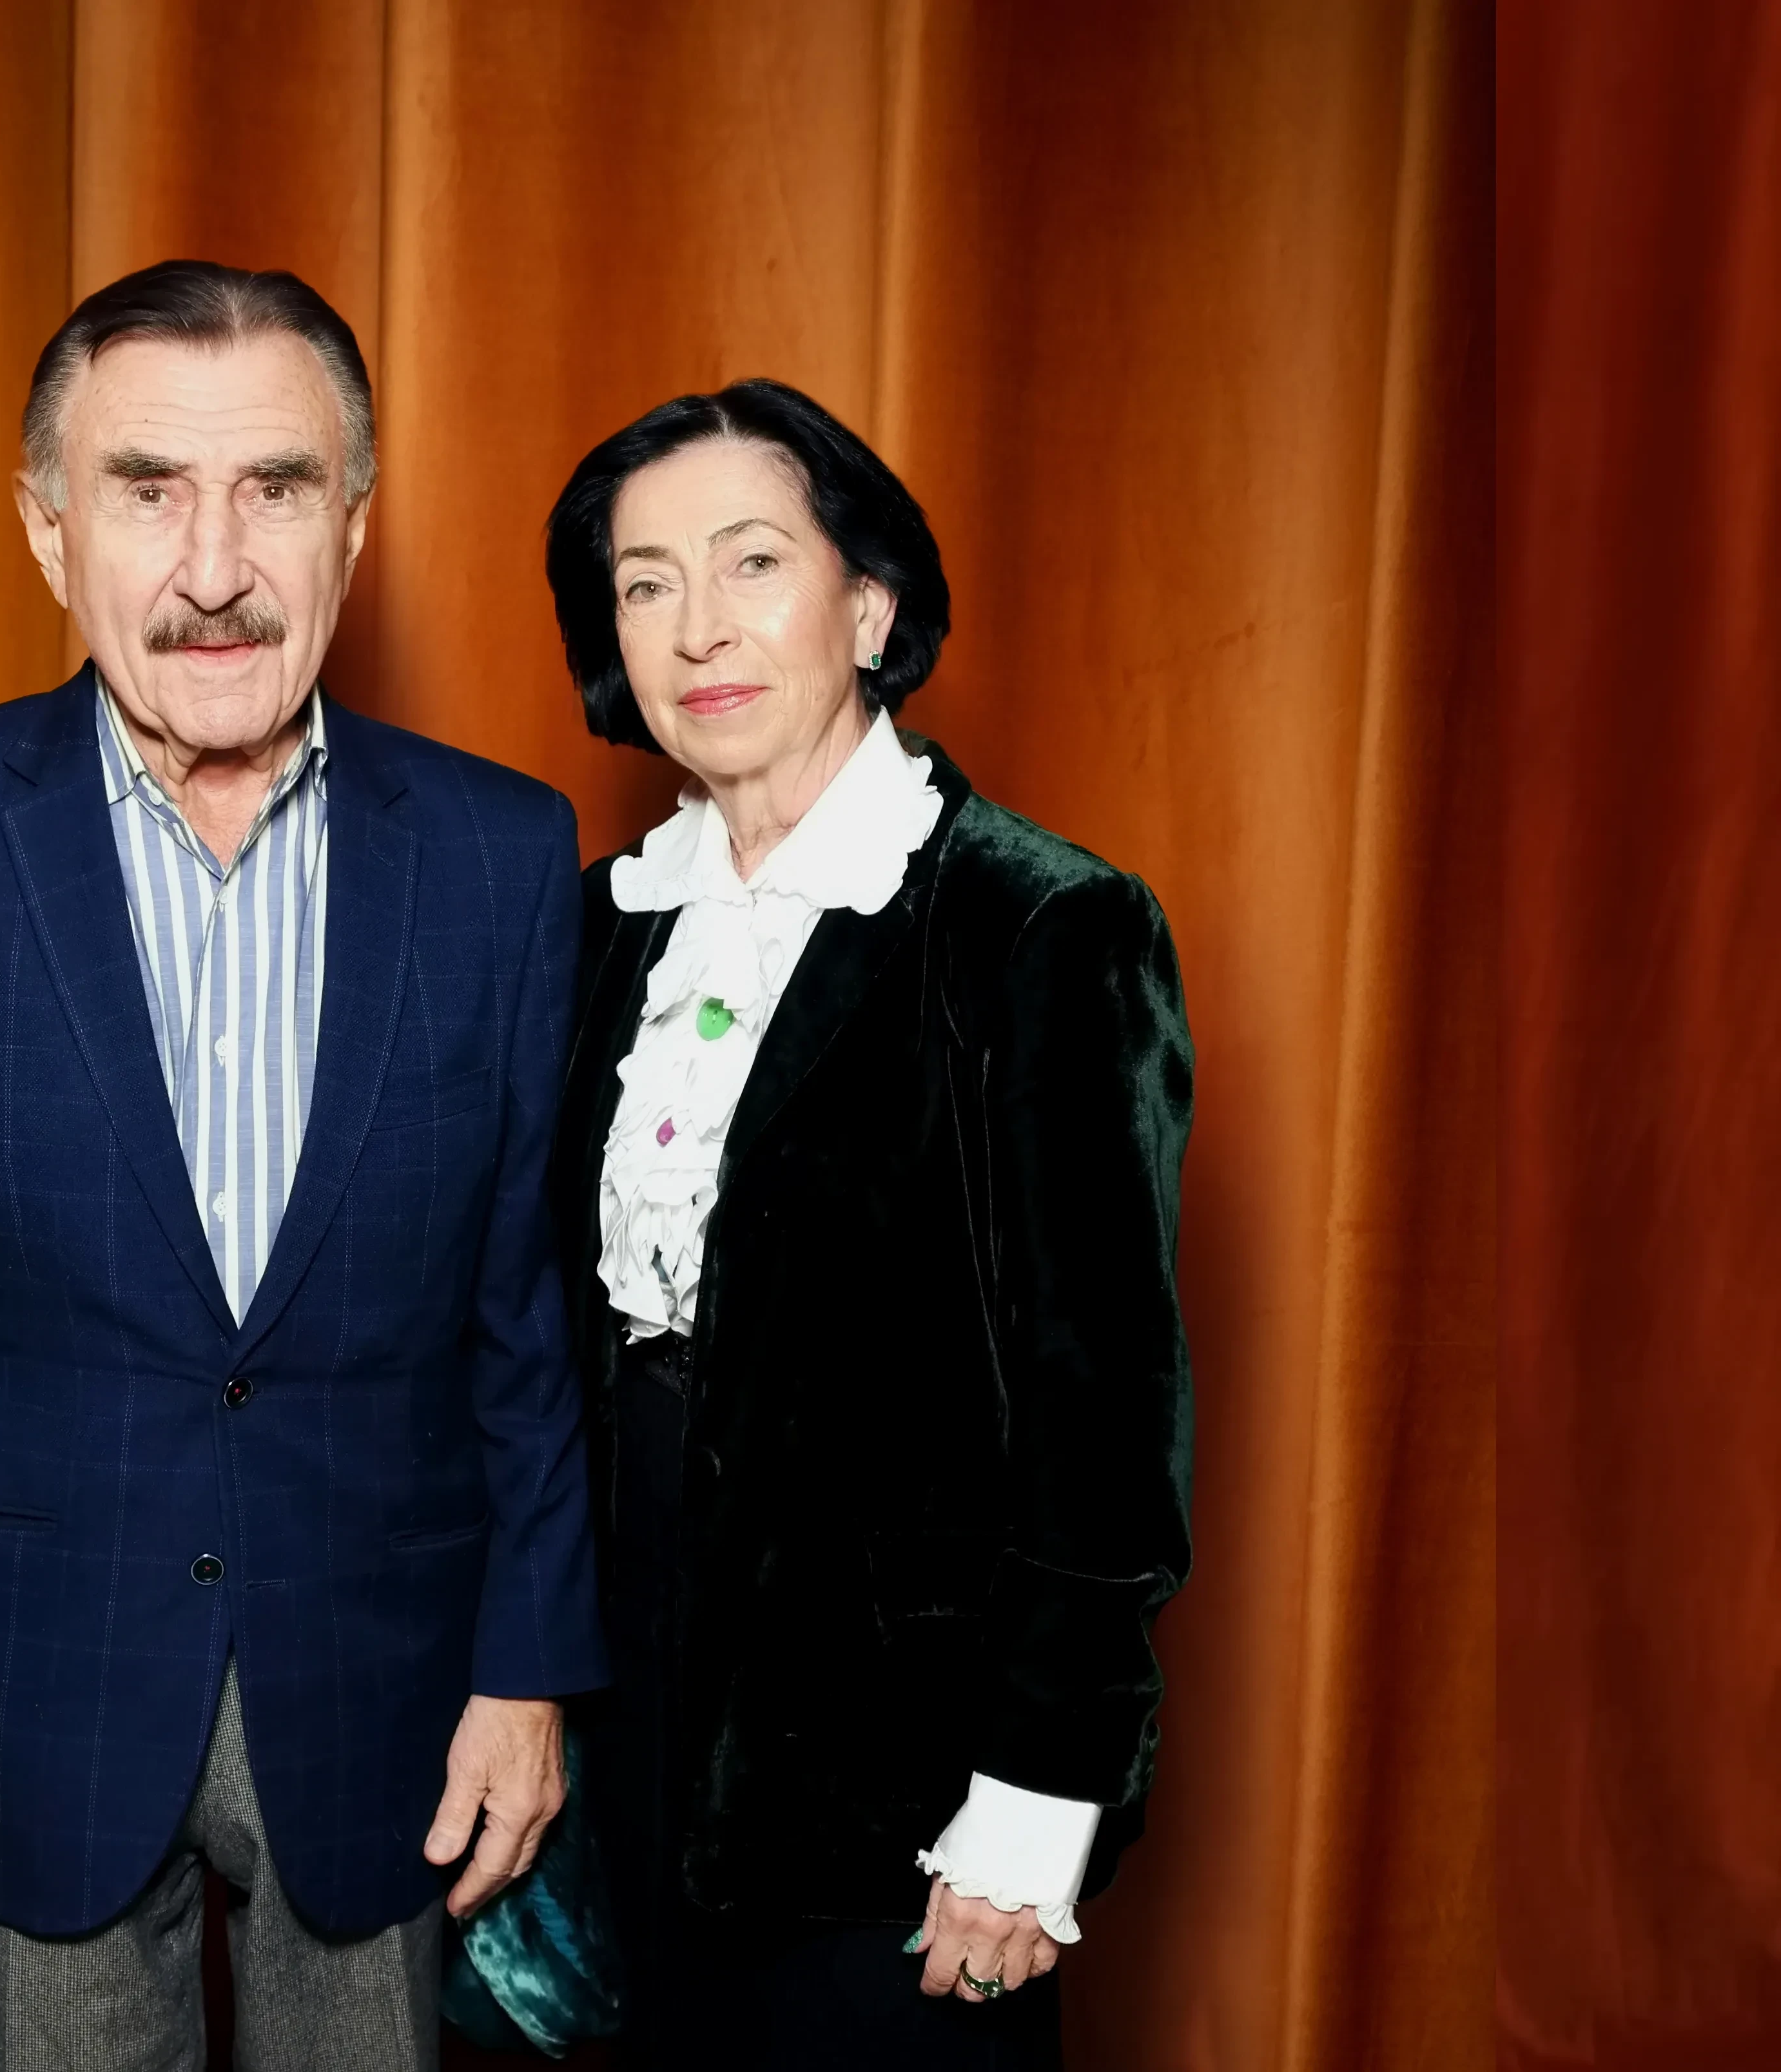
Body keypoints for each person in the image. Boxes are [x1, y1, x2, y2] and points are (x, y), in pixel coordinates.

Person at [0, 259, 606, 2071]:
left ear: (353, 529)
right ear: (49, 533)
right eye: (147, 489)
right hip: (14, 1700)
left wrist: (527, 1666)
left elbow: (522, 1323)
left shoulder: (501, 855)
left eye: (276, 489)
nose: (214, 567)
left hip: (383, 1700)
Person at [541, 380, 1194, 2068]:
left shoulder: (1038, 926)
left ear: (871, 606)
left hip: (900, 1752)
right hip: (630, 1701)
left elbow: (1103, 1417)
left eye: (753, 561)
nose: (698, 625)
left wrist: (1037, 1797)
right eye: (645, 582)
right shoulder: (602, 927)